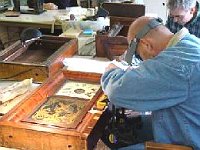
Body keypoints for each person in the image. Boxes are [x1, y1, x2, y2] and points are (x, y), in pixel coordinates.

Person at [101, 16, 200, 150]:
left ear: (147, 44)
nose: (142, 61)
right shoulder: (189, 44)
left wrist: (110, 71)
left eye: (138, 56)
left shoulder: (176, 65)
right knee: (130, 124)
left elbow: (116, 91)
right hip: (185, 125)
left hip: (189, 141)